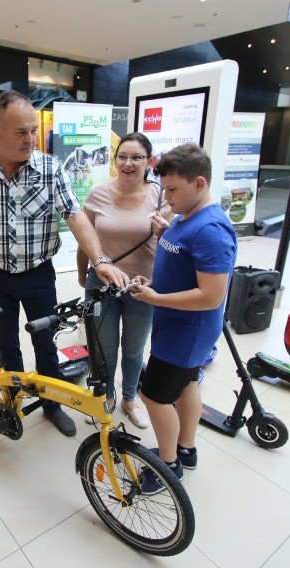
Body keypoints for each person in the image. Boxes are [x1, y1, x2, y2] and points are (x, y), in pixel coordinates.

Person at [0, 90, 129, 437]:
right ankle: (12, 403)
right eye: (21, 132)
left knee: (46, 343)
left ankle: (51, 405)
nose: (31, 138)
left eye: (33, 130)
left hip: (38, 275)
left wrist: (100, 260)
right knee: (6, 343)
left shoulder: (50, 169)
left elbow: (75, 216)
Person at [130, 143, 237, 490]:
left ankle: (168, 464)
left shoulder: (211, 230)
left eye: (173, 190)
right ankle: (186, 449)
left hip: (186, 332)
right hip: (176, 326)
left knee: (154, 395)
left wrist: (157, 297)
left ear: (199, 183)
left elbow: (211, 295)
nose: (167, 197)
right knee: (187, 385)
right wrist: (165, 235)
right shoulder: (186, 217)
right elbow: (183, 262)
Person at [75, 132, 172, 429]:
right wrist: (83, 274)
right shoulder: (98, 193)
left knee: (133, 347)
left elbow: (174, 247)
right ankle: (107, 394)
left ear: (149, 162)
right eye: (122, 157)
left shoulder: (161, 196)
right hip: (101, 284)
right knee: (104, 346)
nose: (128, 163)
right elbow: (85, 238)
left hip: (142, 286)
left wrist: (165, 233)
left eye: (136, 157)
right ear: (115, 160)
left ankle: (130, 397)